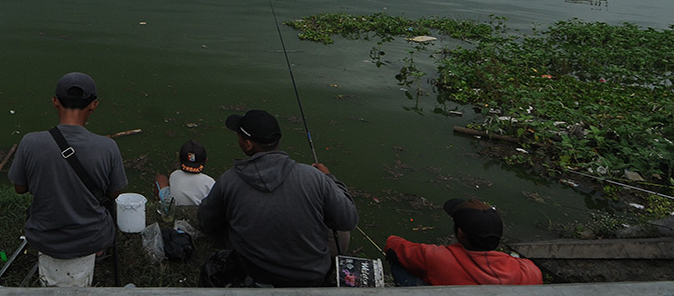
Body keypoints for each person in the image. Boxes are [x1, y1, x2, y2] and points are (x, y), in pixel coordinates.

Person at [198, 109, 358, 287]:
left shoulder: (228, 180)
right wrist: (330, 179)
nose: (239, 141)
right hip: (312, 276)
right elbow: (348, 220)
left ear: (248, 145)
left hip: (253, 273)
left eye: (240, 137)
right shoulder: (312, 176)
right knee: (341, 229)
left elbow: (206, 222)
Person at [8, 72, 128, 286]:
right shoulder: (108, 147)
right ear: (93, 105)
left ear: (55, 101)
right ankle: (97, 250)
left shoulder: (30, 143)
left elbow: (20, 188)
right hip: (91, 237)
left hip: (44, 236)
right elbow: (113, 193)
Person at [386, 198, 543, 286]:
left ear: (460, 233)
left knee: (398, 263)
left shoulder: (437, 257)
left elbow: (393, 245)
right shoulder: (527, 270)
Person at [166, 139, 215, 207]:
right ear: (206, 160)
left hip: (174, 209)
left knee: (160, 179)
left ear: (179, 159)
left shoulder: (174, 175)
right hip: (200, 214)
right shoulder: (209, 182)